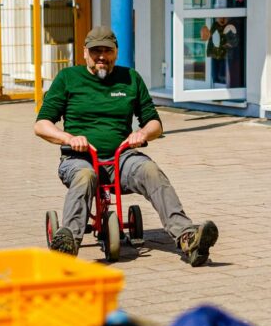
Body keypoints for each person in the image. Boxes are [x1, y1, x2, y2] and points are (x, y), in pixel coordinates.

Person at [34, 26, 218, 266]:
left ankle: (187, 238)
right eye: (95, 50)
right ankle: (68, 244)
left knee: (150, 170)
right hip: (79, 158)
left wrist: (142, 133)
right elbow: (41, 124)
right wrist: (69, 138)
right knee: (85, 176)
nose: (101, 56)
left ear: (116, 52)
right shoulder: (68, 79)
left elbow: (155, 123)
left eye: (107, 51)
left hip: (122, 158)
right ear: (84, 53)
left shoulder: (130, 79)